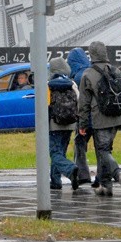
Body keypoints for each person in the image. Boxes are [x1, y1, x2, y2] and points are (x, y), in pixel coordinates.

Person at [78, 41, 121, 197]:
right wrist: (120, 110)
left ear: (92, 54)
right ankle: (106, 186)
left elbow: (84, 103)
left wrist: (82, 124)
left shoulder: (88, 74)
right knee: (106, 150)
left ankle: (119, 174)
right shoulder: (115, 70)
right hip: (117, 118)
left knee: (102, 151)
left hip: (100, 119)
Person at [47, 57, 79, 191]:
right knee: (61, 152)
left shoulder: (48, 85)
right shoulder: (71, 84)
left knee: (55, 153)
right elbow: (78, 100)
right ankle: (55, 181)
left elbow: (46, 106)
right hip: (70, 123)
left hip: (55, 124)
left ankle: (71, 170)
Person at [67, 48, 93, 185]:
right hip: (99, 118)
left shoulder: (77, 77)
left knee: (80, 144)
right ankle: (101, 177)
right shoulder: (93, 73)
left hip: (84, 119)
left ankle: (83, 174)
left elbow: (81, 103)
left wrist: (82, 123)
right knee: (102, 149)